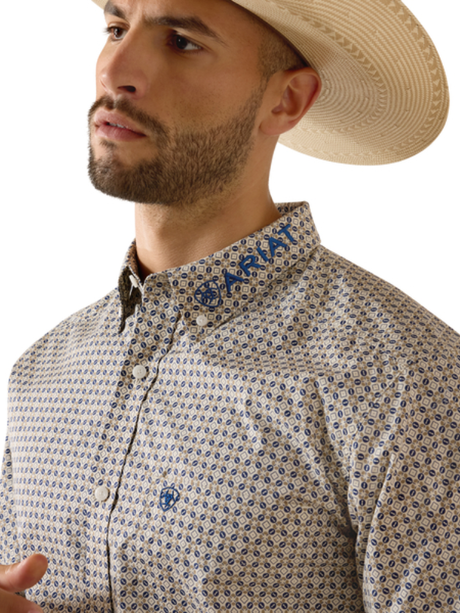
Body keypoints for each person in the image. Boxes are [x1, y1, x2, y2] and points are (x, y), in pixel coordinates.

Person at [0, 0, 458, 610]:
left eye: (181, 41)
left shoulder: (406, 382)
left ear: (287, 100)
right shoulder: (42, 374)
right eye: (115, 29)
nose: (114, 70)